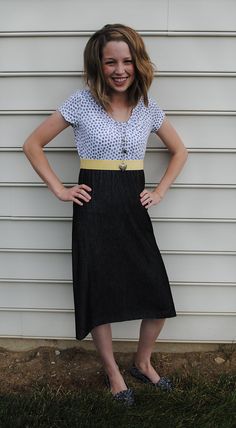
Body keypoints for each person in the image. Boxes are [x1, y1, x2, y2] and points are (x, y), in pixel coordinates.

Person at [23, 23, 188, 406]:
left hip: (132, 202)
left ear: (138, 64)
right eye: (110, 61)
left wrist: (159, 191)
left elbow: (180, 151)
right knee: (98, 290)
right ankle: (114, 372)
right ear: (98, 65)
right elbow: (33, 144)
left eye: (127, 61)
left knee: (156, 291)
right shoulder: (81, 102)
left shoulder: (148, 106)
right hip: (94, 205)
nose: (119, 69)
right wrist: (60, 190)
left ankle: (142, 363)